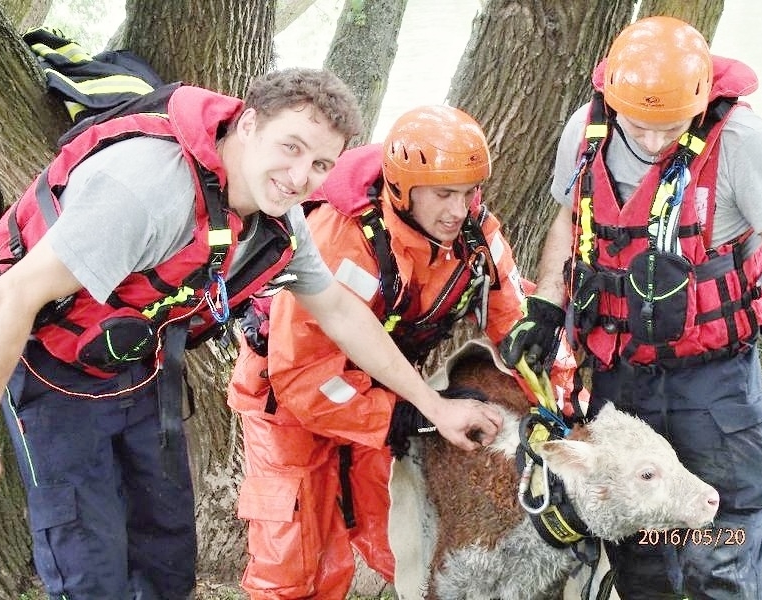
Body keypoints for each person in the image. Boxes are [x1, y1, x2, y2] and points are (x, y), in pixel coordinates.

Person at [0, 70, 503, 600]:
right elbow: (10, 297)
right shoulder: (147, 192)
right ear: (250, 123)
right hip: (49, 369)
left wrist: (434, 408)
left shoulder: (277, 221)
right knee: (91, 573)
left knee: (165, 562)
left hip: (138, 364)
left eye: (321, 164)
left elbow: (340, 311)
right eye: (291, 146)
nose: (300, 176)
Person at [227, 105, 580, 600]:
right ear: (402, 189)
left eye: (468, 192)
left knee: (397, 536)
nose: (459, 210)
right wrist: (410, 415)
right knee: (297, 562)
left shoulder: (476, 237)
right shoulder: (344, 237)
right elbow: (302, 371)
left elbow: (511, 321)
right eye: (443, 194)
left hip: (384, 388)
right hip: (289, 399)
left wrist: (559, 401)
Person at [499, 15, 762, 600]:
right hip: (620, 380)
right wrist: (546, 307)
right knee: (639, 548)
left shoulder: (741, 143)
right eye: (641, 124)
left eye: (670, 126)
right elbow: (569, 216)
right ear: (614, 98)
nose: (656, 142)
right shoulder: (585, 132)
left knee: (724, 541)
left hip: (715, 385)